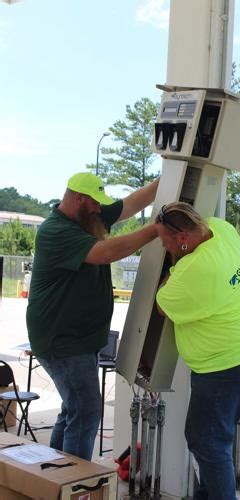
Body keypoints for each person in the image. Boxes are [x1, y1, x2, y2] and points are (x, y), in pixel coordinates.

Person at [26, 172, 159, 460]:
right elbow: (106, 252)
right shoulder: (55, 231)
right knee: (86, 409)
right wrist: (155, 230)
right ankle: (74, 483)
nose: (101, 209)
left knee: (74, 407)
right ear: (78, 199)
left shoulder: (89, 216)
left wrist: (168, 177)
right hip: (61, 340)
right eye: (95, 203)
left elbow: (130, 204)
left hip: (79, 339)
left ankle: (56, 476)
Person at [155, 202, 240, 500]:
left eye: (164, 241)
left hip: (225, 366)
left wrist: (175, 266)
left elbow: (161, 303)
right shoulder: (221, 229)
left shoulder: (195, 270)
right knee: (215, 441)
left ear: (182, 239)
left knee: (206, 442)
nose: (163, 247)